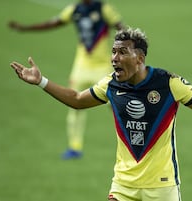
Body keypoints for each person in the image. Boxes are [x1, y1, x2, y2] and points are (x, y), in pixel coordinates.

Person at [10, 27, 192, 201]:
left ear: (140, 58)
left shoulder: (168, 83)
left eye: (122, 52)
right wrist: (41, 81)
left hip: (161, 185)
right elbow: (76, 100)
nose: (114, 58)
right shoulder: (111, 84)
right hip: (124, 183)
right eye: (113, 52)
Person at [9, 0, 124, 159]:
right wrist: (25, 28)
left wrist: (133, 47)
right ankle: (74, 147)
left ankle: (129, 142)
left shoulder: (103, 8)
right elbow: (52, 23)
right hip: (81, 67)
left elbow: (121, 29)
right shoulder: (74, 9)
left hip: (104, 68)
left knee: (119, 104)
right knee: (74, 105)